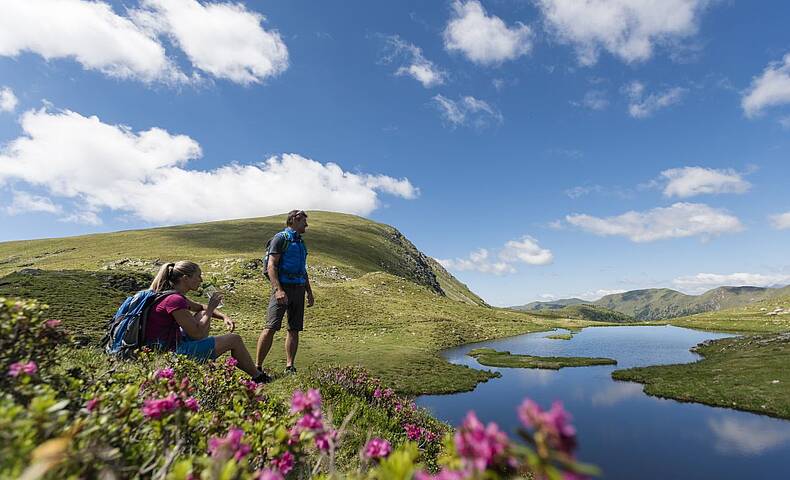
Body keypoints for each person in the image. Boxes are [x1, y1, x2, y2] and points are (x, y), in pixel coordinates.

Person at [145, 260, 269, 382]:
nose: (201, 280)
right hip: (171, 353)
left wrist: (223, 317)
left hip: (164, 345)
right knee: (234, 339)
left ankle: (206, 356)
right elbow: (196, 333)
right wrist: (210, 309)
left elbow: (199, 308)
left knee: (202, 314)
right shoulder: (174, 300)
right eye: (198, 276)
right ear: (185, 278)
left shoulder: (166, 295)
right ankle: (258, 376)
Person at [256, 210, 314, 375]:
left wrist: (309, 292)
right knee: (271, 326)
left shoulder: (301, 243)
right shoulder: (280, 238)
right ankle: (257, 366)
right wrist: (278, 290)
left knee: (294, 329)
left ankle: (290, 366)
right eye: (304, 221)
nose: (306, 225)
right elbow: (271, 265)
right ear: (295, 220)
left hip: (299, 288)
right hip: (283, 288)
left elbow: (303, 269)